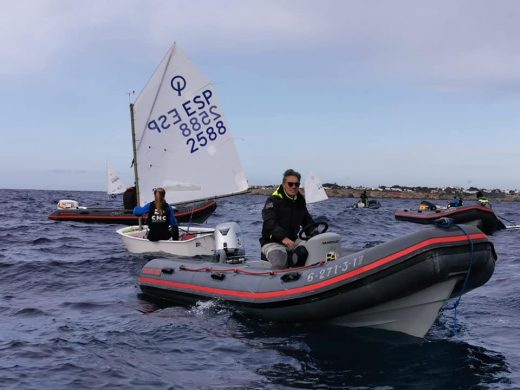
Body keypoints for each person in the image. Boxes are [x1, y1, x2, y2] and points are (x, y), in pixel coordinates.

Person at [260, 169, 315, 269]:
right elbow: (269, 221)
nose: (293, 187)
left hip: (293, 241)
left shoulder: (300, 201)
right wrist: (283, 238)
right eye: (290, 184)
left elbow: (307, 221)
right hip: (273, 242)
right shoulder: (273, 200)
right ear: (284, 184)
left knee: (313, 250)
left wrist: (314, 234)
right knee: (280, 263)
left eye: (296, 184)